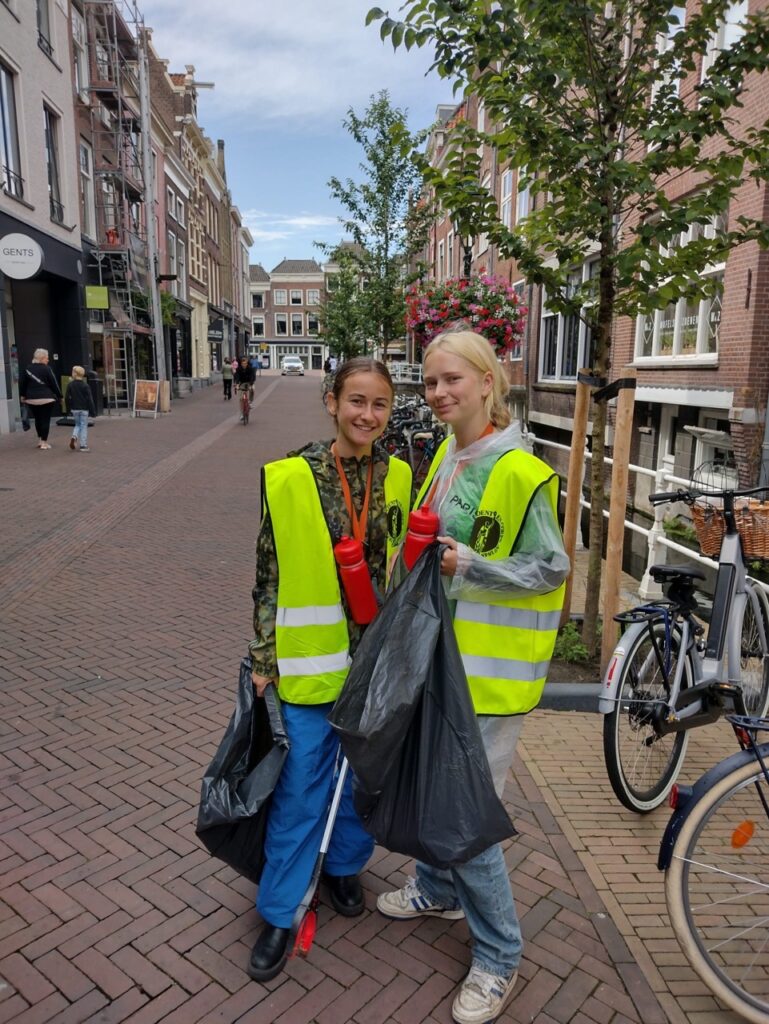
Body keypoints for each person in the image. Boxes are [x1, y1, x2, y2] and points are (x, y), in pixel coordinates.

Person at [377, 330, 569, 1024]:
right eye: (429, 383)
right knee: (438, 788)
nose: (437, 394)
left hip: (488, 680)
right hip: (441, 662)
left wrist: (472, 567)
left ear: (487, 381)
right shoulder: (445, 455)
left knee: (469, 817)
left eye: (451, 379)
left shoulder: (518, 470)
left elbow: (551, 568)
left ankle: (498, 955)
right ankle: (437, 887)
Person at [247, 356, 412, 982]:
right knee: (300, 788)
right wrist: (264, 657)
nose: (367, 415)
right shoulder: (290, 477)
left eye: (380, 405)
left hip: (375, 666)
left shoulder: (399, 476)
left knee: (360, 782)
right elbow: (268, 573)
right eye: (357, 402)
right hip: (310, 667)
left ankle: (344, 867)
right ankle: (282, 909)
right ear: (330, 400)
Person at [19, 348, 62, 450]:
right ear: (42, 358)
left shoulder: (27, 368)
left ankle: (40, 440)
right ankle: (44, 442)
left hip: (32, 399)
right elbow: (54, 384)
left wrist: (22, 396)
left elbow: (23, 384)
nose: (48, 360)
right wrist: (60, 396)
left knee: (38, 420)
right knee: (45, 420)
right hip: (46, 399)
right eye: (47, 358)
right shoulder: (47, 369)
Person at [65, 366, 96, 452]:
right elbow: (90, 399)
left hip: (74, 409)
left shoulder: (70, 385)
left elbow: (67, 398)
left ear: (74, 373)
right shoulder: (85, 385)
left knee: (77, 425)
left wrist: (68, 409)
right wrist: (93, 411)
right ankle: (83, 445)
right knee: (83, 426)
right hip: (84, 409)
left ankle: (74, 436)